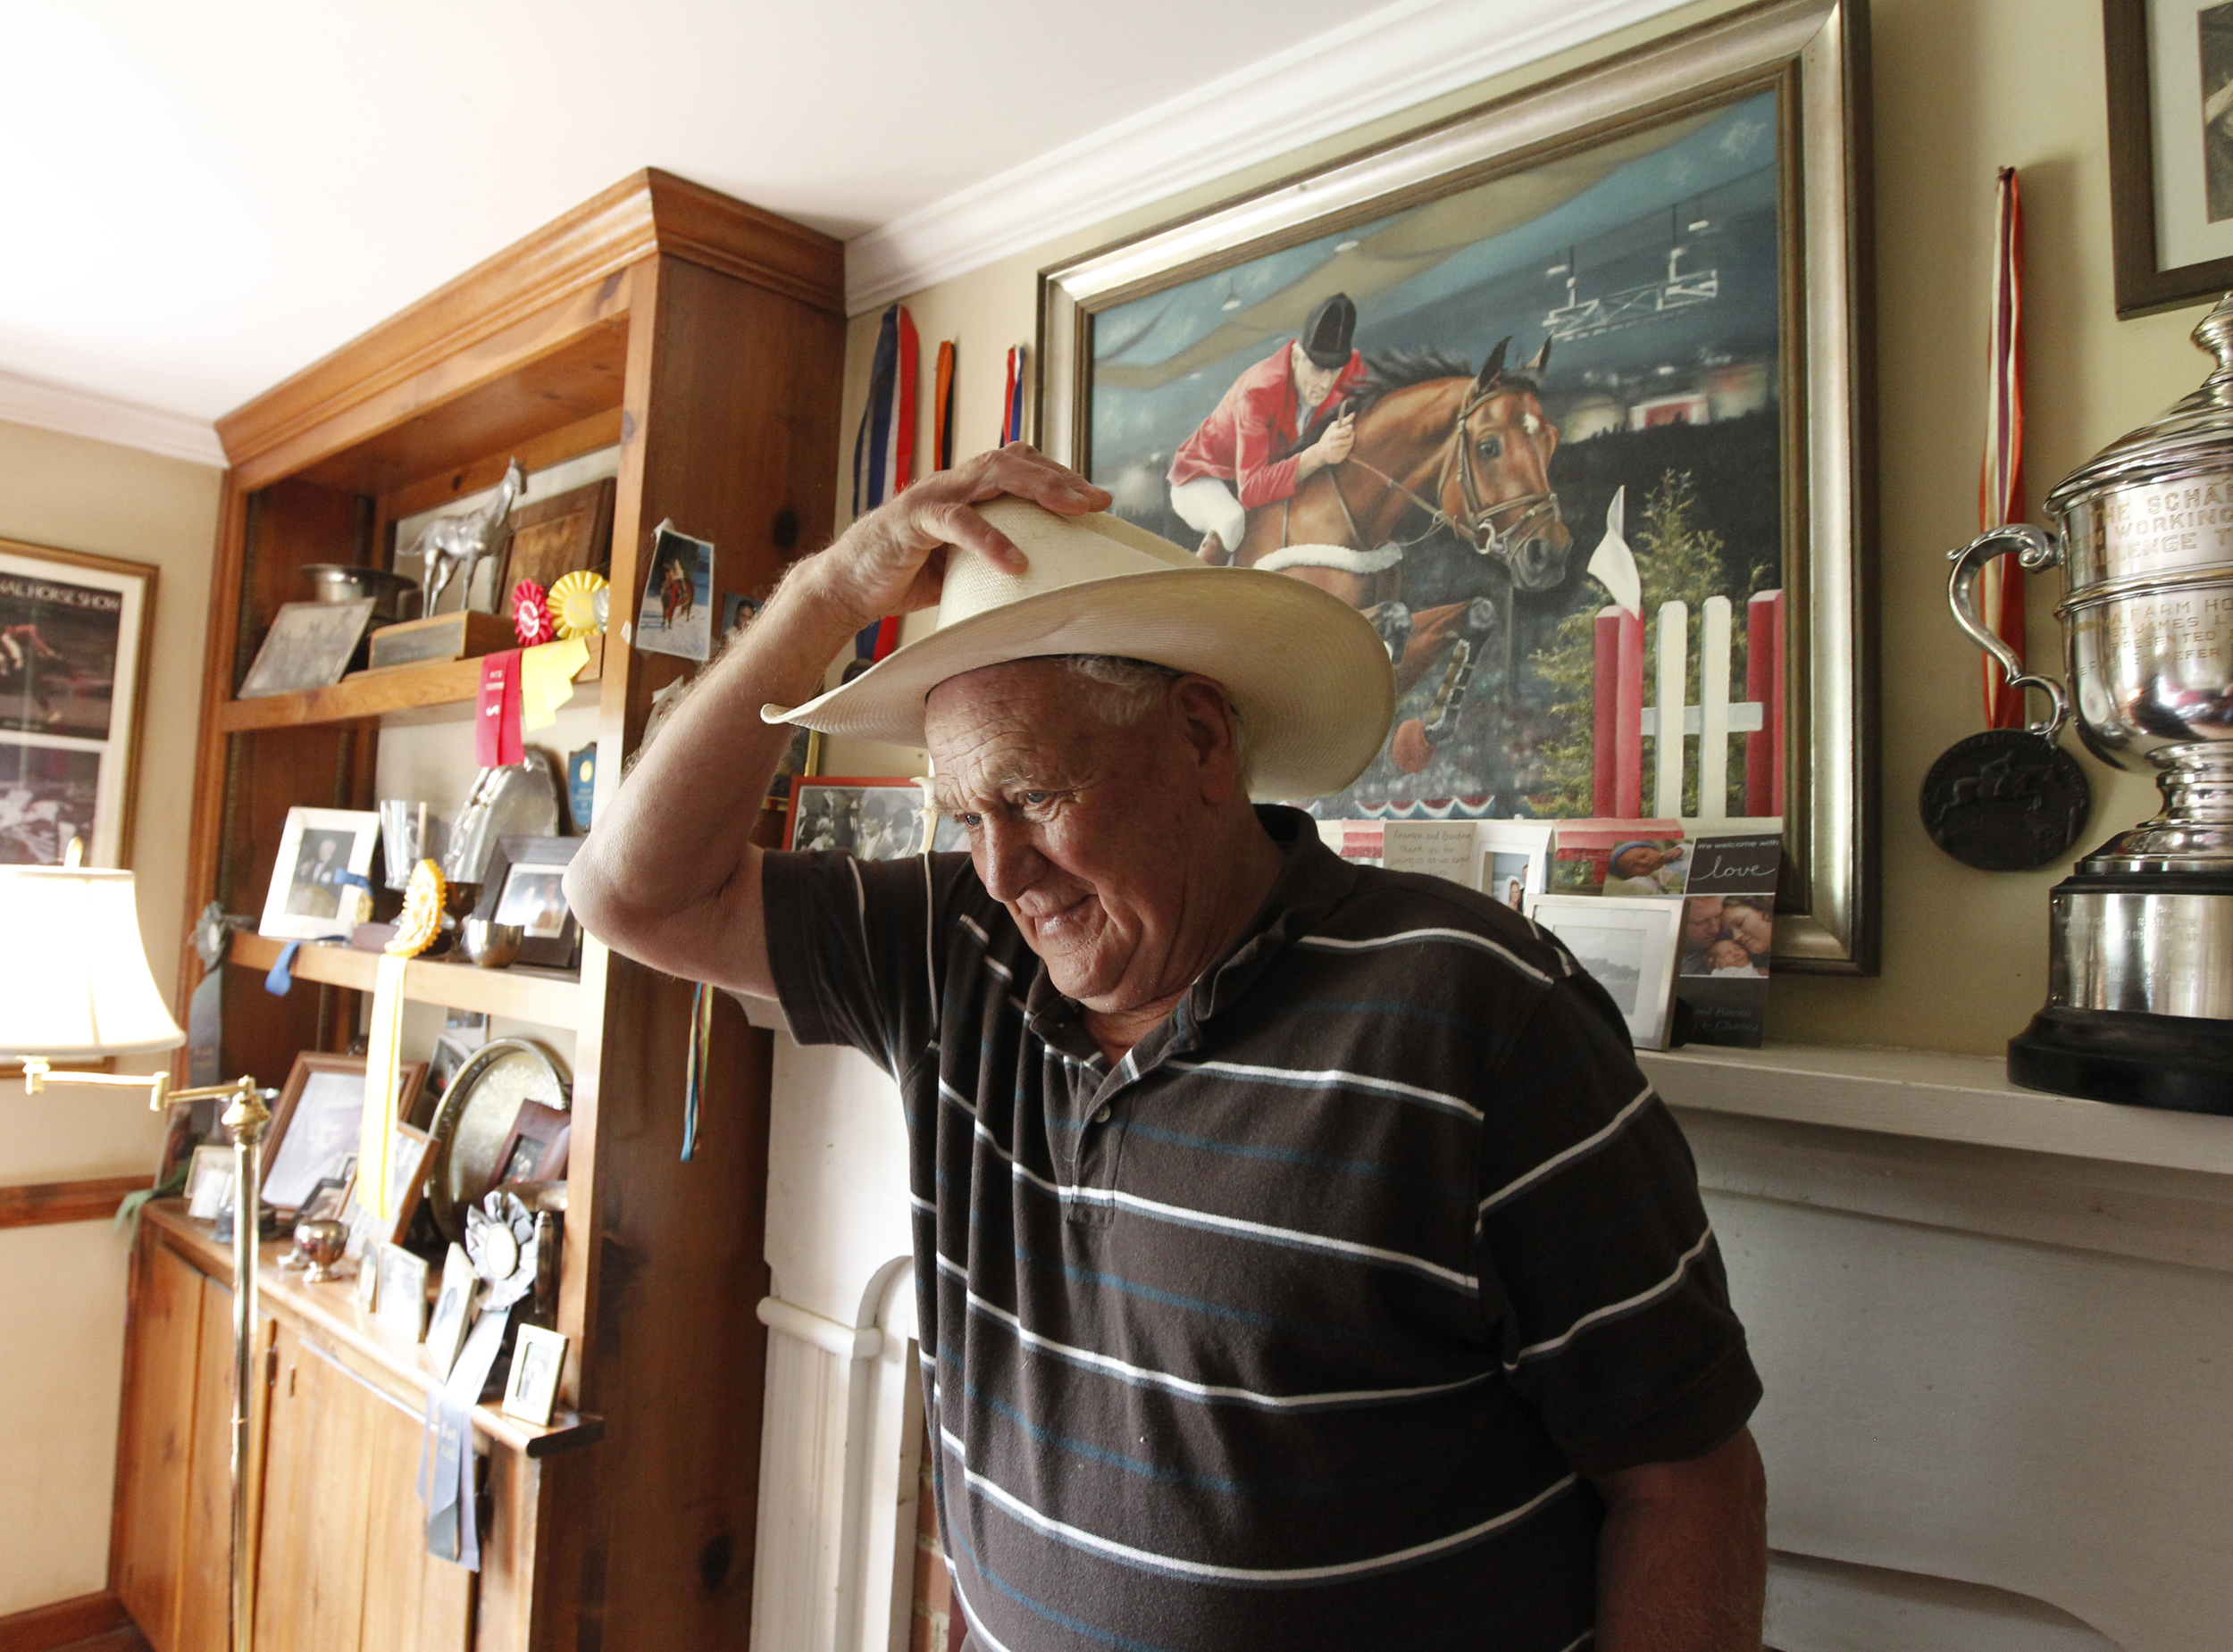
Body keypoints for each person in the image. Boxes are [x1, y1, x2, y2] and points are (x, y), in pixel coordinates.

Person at [566, 444, 1766, 1652]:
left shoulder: (1476, 1008)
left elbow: (1683, 1477)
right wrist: (827, 591)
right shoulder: (953, 947)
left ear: (1200, 739)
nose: (1001, 869)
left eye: (1032, 794)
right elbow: (631, 895)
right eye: (963, 814)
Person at [1166, 292, 1368, 563]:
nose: (1325, 383)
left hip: (1260, 473)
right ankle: (1190, 592)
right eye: (1317, 369)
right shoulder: (1258, 393)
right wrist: (1317, 455)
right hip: (1202, 477)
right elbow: (1250, 491)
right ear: (1296, 358)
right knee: (1230, 521)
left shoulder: (1351, 369)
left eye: (1334, 371)